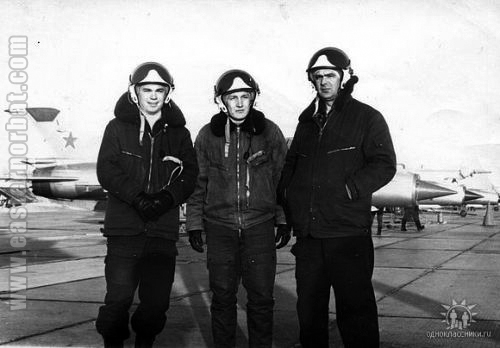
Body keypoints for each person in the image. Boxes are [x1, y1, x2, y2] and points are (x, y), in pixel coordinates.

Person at [278, 47, 397, 348]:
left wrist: (350, 189)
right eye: (318, 77)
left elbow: (384, 163)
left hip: (347, 235)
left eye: (330, 75)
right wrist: (288, 206)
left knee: (356, 315)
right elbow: (291, 167)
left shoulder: (367, 118)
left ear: (344, 78)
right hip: (310, 237)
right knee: (310, 315)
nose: (324, 82)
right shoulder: (306, 123)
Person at [95, 62, 198, 348]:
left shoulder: (180, 134)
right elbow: (107, 169)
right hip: (124, 232)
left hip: (161, 234)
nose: (153, 96)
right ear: (134, 91)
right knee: (117, 302)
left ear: (169, 93)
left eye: (159, 90)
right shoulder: (116, 128)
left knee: (155, 306)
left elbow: (190, 175)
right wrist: (137, 198)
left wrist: (167, 198)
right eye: (146, 89)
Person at [186, 69, 290, 348]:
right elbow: (198, 183)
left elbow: (281, 179)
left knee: (261, 299)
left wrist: (282, 219)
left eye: (246, 96)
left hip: (259, 226)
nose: (240, 103)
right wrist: (194, 223)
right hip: (220, 228)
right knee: (222, 297)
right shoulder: (207, 136)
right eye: (233, 97)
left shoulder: (270, 132)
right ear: (221, 101)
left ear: (254, 98)